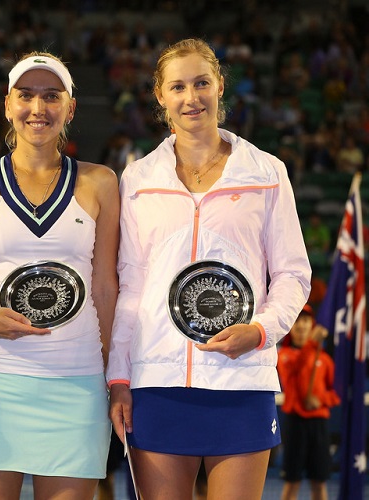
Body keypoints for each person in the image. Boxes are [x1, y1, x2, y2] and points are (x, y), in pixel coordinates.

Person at [107, 38, 312, 500]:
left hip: (240, 376)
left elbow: (293, 274)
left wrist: (260, 331)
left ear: (220, 85)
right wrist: (119, 377)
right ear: (160, 96)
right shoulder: (138, 179)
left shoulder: (268, 171)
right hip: (155, 382)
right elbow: (130, 286)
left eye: (201, 83)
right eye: (177, 86)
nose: (191, 97)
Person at [0, 51, 120, 499]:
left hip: (77, 382)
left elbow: (104, 287)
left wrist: (112, 372)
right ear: (7, 104)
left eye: (51, 96)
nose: (37, 108)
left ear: (70, 107)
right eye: (25, 95)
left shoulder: (100, 181)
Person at [277, 305, 339, 500]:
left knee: (319, 483)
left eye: (305, 320)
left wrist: (320, 400)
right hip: (295, 426)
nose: (301, 326)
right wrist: (312, 344)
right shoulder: (284, 356)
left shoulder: (326, 360)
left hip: (319, 427)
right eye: (296, 321)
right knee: (292, 483)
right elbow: (294, 371)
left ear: (311, 324)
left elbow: (335, 394)